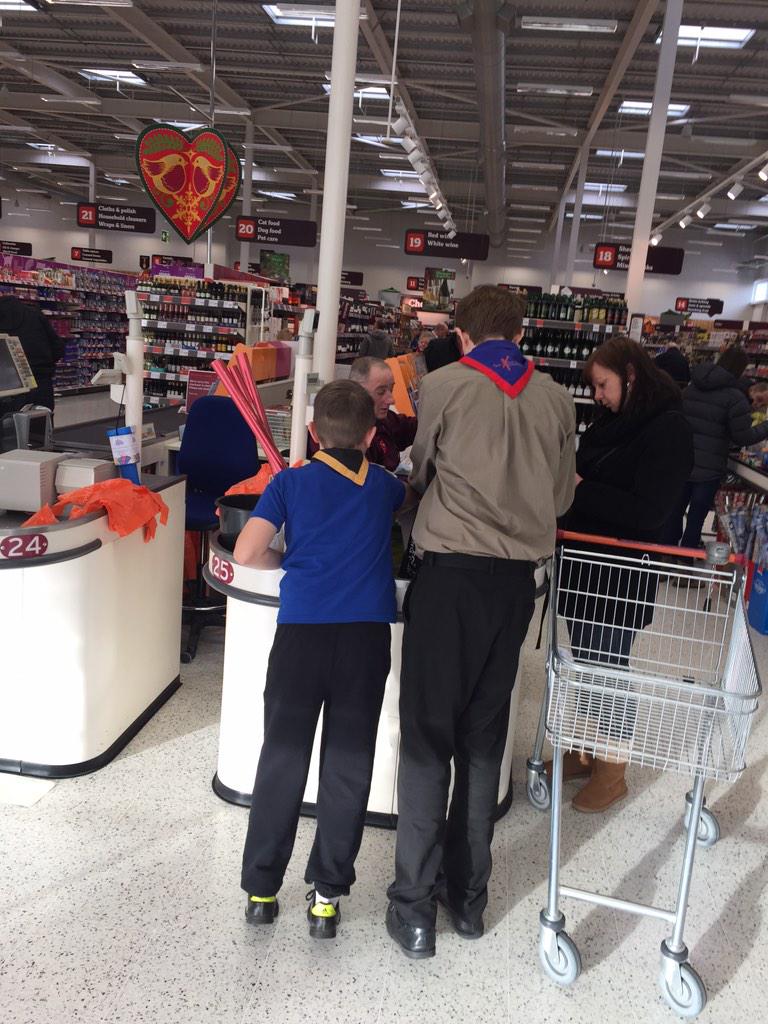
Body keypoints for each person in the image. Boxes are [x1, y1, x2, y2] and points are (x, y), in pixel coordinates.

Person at [385, 285, 576, 959]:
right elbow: (558, 496)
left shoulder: (444, 385)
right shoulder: (556, 399)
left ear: (464, 336)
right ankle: (468, 903)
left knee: (428, 740)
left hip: (449, 584)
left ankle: (413, 907)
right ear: (520, 335)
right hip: (512, 591)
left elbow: (421, 470)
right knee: (483, 739)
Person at [234, 380, 410, 940]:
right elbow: (413, 504)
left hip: (301, 637)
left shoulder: (288, 483)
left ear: (312, 432)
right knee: (348, 762)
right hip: (364, 640)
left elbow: (247, 551)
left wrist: (294, 554)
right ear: (370, 433)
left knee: (282, 756)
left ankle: (263, 890)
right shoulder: (386, 487)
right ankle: (328, 897)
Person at [560, 338, 693, 812]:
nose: (597, 395)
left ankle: (614, 770)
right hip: (585, 564)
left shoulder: (668, 429)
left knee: (608, 667)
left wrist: (581, 489)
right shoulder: (615, 421)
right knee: (586, 662)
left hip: (621, 573)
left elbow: (651, 511)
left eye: (603, 384)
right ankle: (591, 748)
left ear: (631, 375)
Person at [662, 346, 768, 550]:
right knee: (695, 519)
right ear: (739, 369)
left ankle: (666, 556)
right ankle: (684, 563)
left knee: (674, 511)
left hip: (682, 462)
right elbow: (742, 436)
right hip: (709, 468)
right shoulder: (735, 398)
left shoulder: (691, 388)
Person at [348, 356, 417, 471]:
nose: (391, 400)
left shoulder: (385, 420)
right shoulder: (347, 436)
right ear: (357, 391)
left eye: (391, 389)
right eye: (381, 392)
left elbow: (410, 427)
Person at [0, 293, 64, 413]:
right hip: (41, 382)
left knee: (9, 427)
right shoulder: (35, 314)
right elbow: (58, 348)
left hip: (9, 386)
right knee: (41, 425)